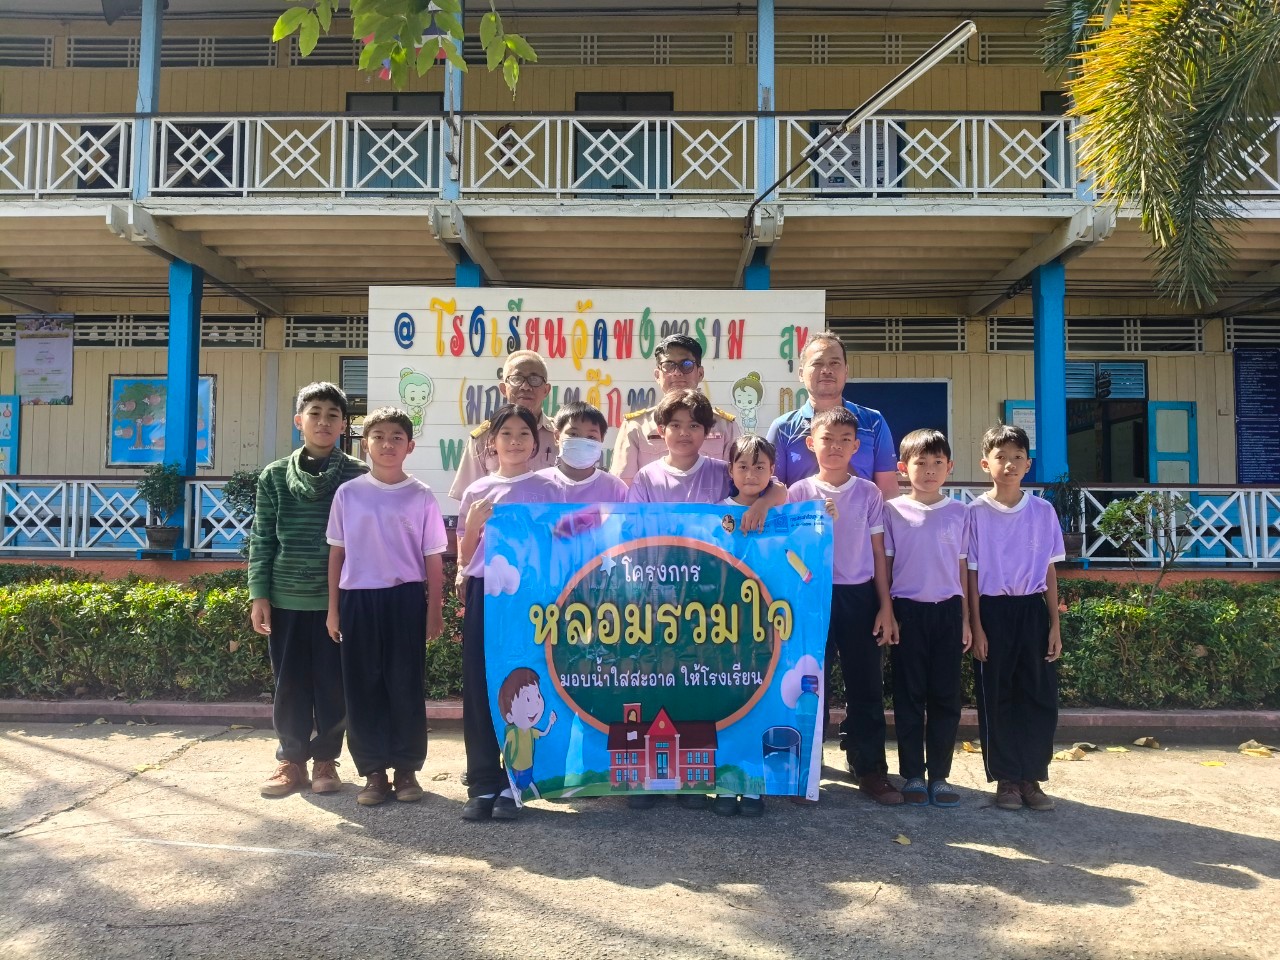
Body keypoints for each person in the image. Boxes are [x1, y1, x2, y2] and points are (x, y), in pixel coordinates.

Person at [249, 382, 368, 798]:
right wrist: (258, 595)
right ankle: (291, 760)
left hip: (339, 599)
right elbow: (263, 538)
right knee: (289, 683)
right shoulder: (274, 476)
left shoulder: (359, 476)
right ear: (299, 421)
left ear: (343, 424)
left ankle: (325, 761)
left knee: (333, 684)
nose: (323, 421)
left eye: (332, 414)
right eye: (314, 413)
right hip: (286, 597)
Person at [325, 407, 446, 807]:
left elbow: (432, 558)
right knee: (362, 687)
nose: (387, 443)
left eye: (396, 437)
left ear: (409, 446)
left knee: (404, 684)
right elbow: (337, 554)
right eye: (378, 436)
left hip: (405, 599)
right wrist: (333, 609)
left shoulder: (421, 495)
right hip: (358, 599)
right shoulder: (349, 493)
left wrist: (434, 609)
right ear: (365, 444)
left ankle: (406, 768)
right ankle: (373, 772)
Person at [786, 407, 901, 805]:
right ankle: (805, 768)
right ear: (810, 443)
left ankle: (869, 768)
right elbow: (788, 554)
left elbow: (879, 553)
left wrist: (885, 606)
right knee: (809, 684)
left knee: (866, 684)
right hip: (812, 598)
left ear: (856, 446)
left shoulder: (869, 493)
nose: (834, 447)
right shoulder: (797, 493)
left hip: (859, 595)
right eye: (826, 439)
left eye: (843, 441)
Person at [456, 404, 561, 822]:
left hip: (533, 596)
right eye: (506, 435)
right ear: (491, 443)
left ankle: (515, 784)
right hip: (488, 593)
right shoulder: (477, 491)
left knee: (527, 678)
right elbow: (464, 557)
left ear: (536, 443)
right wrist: (474, 526)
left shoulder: (550, 489)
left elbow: (558, 548)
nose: (514, 442)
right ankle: (482, 782)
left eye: (523, 434)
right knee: (481, 682)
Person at [967, 423, 1066, 812]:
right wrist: (975, 626)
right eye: (1001, 457)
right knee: (997, 696)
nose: (1009, 464)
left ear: (1028, 463)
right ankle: (1006, 779)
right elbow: (971, 574)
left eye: (1017, 457)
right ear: (985, 463)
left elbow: (1050, 570)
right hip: (992, 610)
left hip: (1032, 610)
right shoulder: (974, 513)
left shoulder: (1043, 511)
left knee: (1038, 695)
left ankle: (1032, 777)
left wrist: (1054, 623)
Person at [883, 429, 970, 808]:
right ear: (904, 468)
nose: (930, 470)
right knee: (909, 695)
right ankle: (913, 774)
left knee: (946, 697)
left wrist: (966, 619)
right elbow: (884, 567)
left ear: (949, 467)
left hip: (948, 612)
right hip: (907, 612)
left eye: (938, 463)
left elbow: (965, 570)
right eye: (921, 462)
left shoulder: (960, 512)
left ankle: (940, 775)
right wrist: (887, 612)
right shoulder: (893, 510)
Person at [711, 433, 780, 818]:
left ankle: (754, 782)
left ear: (772, 471)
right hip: (723, 626)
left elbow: (785, 496)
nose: (751, 473)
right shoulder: (714, 513)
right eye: (742, 466)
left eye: (760, 466)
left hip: (763, 624)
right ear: (730, 471)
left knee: (760, 700)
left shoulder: (781, 507)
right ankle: (724, 781)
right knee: (725, 701)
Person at [766, 331, 900, 500]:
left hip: (862, 525)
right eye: (818, 363)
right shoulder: (783, 428)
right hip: (802, 525)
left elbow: (887, 489)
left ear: (846, 371)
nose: (826, 370)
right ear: (801, 373)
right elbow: (771, 489)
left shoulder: (873, 422)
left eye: (834, 363)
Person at [610, 334, 740, 485]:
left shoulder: (725, 426)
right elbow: (623, 487)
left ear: (700, 373)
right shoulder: (636, 427)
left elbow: (739, 480)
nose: (677, 372)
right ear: (657, 375)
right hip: (654, 508)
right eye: (668, 365)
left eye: (686, 365)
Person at [448, 350, 559, 501]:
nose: (526, 386)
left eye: (534, 379)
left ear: (546, 390)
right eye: (517, 379)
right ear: (503, 389)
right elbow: (468, 500)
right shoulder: (484, 437)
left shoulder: (559, 436)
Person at [537, 401, 628, 504]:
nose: (582, 441)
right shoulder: (537, 483)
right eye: (574, 434)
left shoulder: (616, 489)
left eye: (591, 437)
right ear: (557, 436)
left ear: (601, 439)